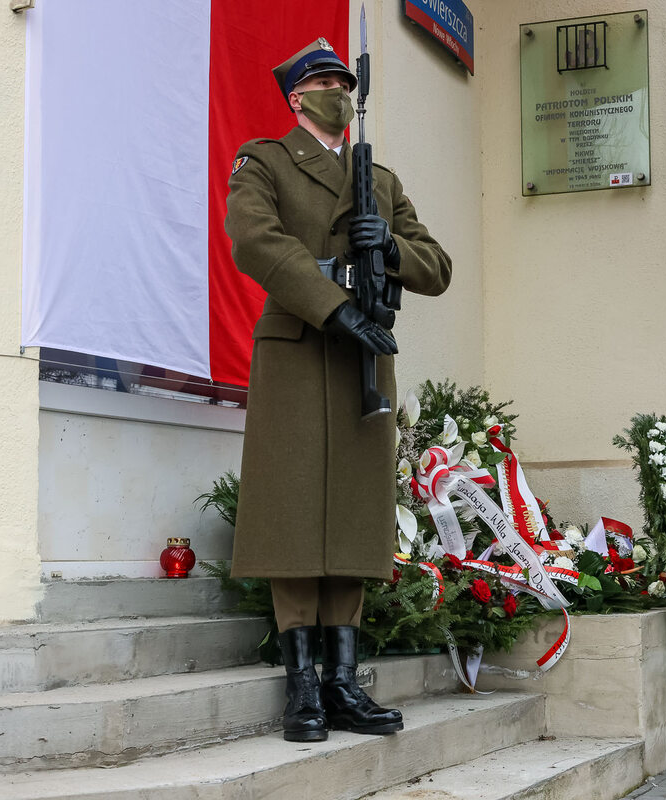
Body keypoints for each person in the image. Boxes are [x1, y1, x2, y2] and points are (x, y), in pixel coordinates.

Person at [225, 37, 452, 742]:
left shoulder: (376, 178)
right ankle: (302, 690)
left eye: (344, 81)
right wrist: (334, 300)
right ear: (297, 96)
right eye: (324, 81)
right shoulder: (263, 160)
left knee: (352, 518)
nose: (338, 91)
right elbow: (254, 240)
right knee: (292, 516)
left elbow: (436, 265)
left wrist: (387, 247)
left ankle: (343, 682)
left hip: (361, 363)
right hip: (301, 350)